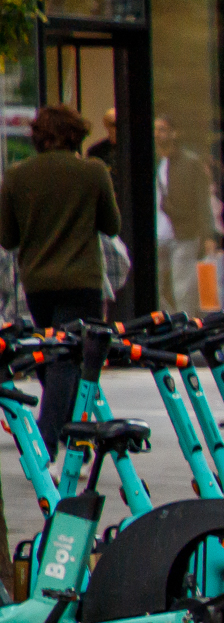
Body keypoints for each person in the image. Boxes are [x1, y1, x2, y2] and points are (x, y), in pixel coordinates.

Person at [0, 105, 121, 447]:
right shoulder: (92, 172)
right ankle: (49, 442)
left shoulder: (17, 176)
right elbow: (112, 226)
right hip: (81, 281)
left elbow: (7, 238)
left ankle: (66, 438)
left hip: (37, 283)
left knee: (52, 358)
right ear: (75, 135)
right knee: (68, 361)